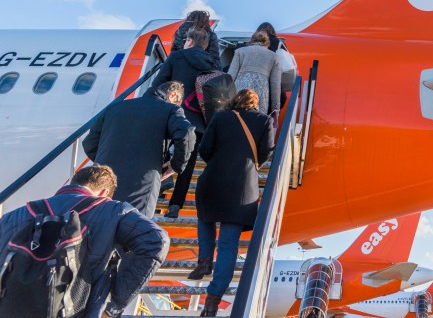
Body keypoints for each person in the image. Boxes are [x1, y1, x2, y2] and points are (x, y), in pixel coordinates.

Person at [0, 164, 169, 318]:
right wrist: (113, 306)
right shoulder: (113, 210)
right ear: (104, 194)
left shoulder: (14, 216)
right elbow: (156, 241)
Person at [190, 89, 274, 316]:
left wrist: (219, 160)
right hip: (243, 187)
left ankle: (205, 260)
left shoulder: (220, 117)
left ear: (234, 101)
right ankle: (213, 299)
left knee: (205, 219)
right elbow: (266, 152)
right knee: (228, 245)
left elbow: (204, 149)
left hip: (214, 178)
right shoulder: (265, 121)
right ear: (256, 104)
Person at [82, 81, 195, 217]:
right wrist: (176, 165)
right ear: (172, 95)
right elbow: (186, 132)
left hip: (103, 182)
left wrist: (107, 160)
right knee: (134, 231)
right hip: (141, 186)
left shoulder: (115, 107)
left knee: (98, 228)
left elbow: (89, 143)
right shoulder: (170, 109)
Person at [152, 28, 218, 218]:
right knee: (187, 162)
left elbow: (159, 83)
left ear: (189, 41)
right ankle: (175, 205)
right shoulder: (212, 63)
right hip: (199, 121)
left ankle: (158, 186)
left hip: (173, 114)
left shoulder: (177, 57)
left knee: (161, 152)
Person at [228, 31, 281, 116]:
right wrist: (276, 107)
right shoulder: (274, 57)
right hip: (260, 93)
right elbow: (275, 84)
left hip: (240, 91)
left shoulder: (239, 52)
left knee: (237, 118)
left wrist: (226, 99)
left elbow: (230, 76)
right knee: (257, 120)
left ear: (252, 40)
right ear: (267, 42)